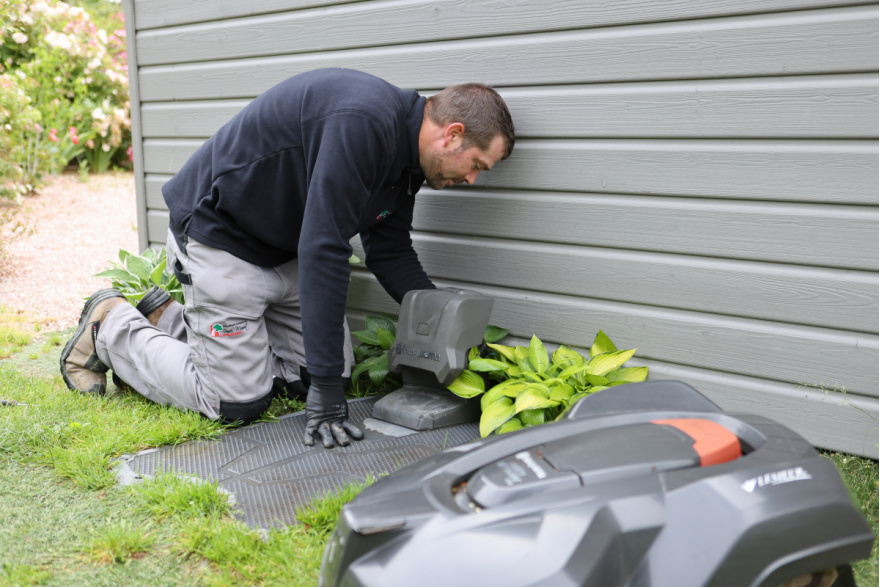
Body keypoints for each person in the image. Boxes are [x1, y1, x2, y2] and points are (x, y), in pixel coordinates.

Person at [60, 68, 515, 448]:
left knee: (306, 378)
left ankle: (168, 317)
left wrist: (453, 331)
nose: (472, 180)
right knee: (237, 402)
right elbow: (324, 248)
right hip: (222, 238)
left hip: (283, 250)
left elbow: (390, 251)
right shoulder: (363, 121)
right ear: (452, 135)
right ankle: (111, 326)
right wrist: (330, 394)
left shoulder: (404, 163)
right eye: (477, 164)